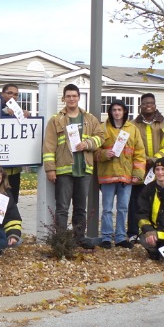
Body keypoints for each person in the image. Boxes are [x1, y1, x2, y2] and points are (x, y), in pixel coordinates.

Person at [42, 83, 103, 249]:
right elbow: (48, 146)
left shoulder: (89, 118)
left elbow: (100, 137)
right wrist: (50, 168)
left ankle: (79, 239)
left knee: (80, 208)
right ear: (63, 98)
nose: (71, 99)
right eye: (68, 96)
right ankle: (61, 241)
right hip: (64, 170)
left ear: (78, 97)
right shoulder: (56, 120)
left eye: (74, 96)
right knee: (62, 208)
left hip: (84, 169)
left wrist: (88, 143)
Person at [95, 99, 147, 249]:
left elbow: (139, 153)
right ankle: (106, 237)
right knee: (107, 209)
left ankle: (120, 237)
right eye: (114, 110)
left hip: (126, 176)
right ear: (110, 112)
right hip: (108, 175)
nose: (117, 113)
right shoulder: (103, 128)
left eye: (119, 110)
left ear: (124, 111)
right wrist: (105, 154)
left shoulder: (133, 129)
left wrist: (138, 173)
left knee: (123, 208)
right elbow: (95, 152)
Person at [129, 93, 164, 243]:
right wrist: (142, 160)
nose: (148, 105)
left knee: (156, 202)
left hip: (157, 171)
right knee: (136, 202)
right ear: (140, 106)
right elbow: (130, 145)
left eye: (151, 103)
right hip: (139, 169)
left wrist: (154, 160)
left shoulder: (163, 125)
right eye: (145, 103)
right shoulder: (133, 125)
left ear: (155, 105)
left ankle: (156, 232)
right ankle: (133, 233)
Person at [0, 83, 31, 204]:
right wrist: (3, 111)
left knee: (12, 203)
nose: (13, 96)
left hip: (14, 169)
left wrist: (27, 115)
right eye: (10, 93)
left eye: (16, 94)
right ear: (2, 94)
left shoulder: (17, 110)